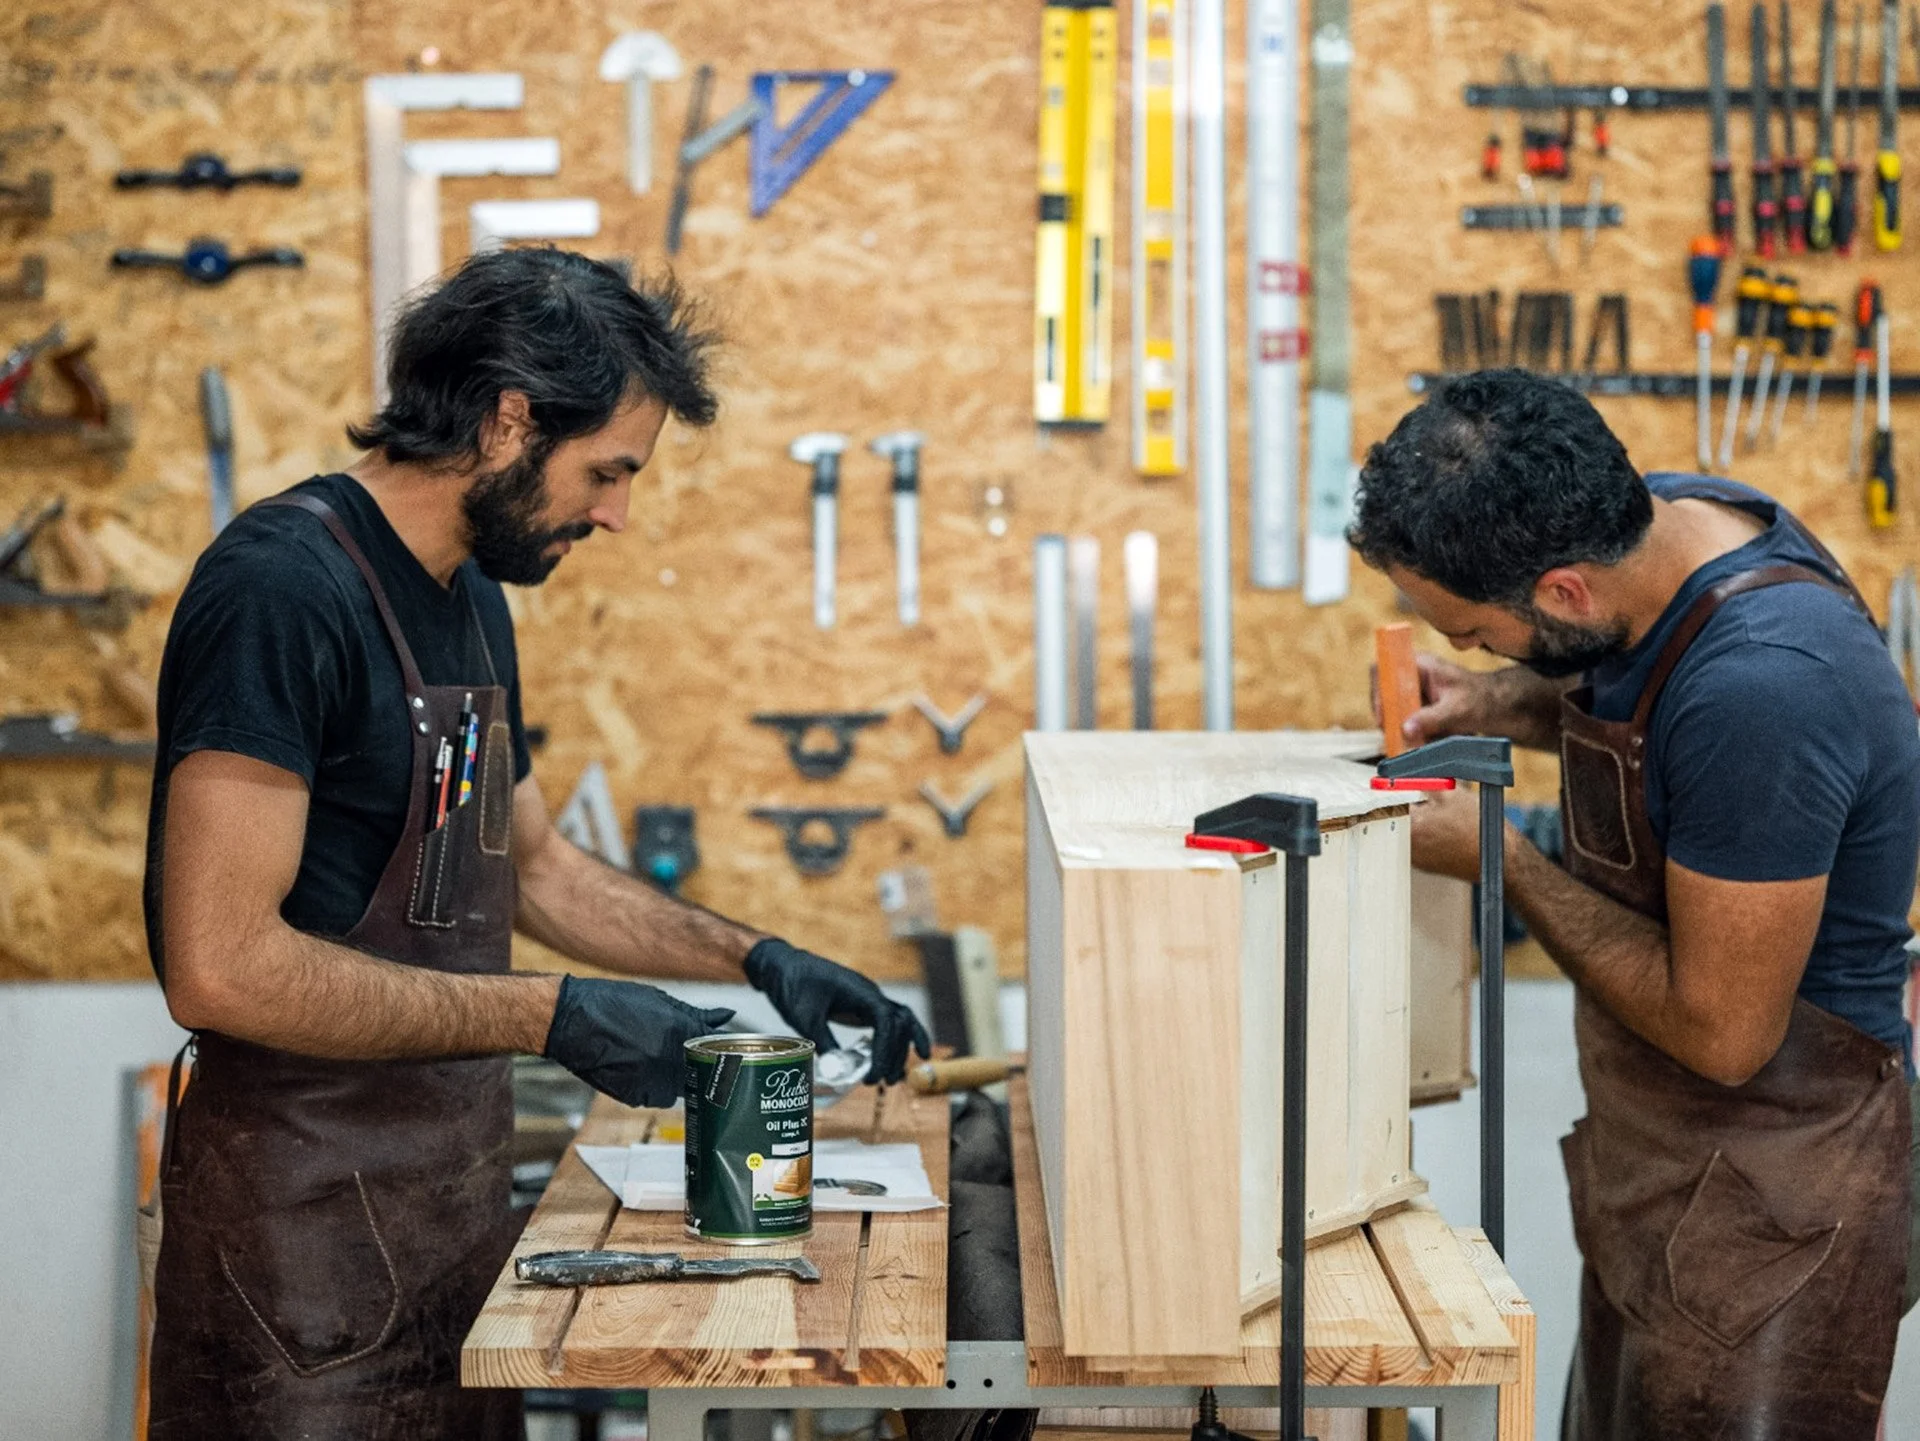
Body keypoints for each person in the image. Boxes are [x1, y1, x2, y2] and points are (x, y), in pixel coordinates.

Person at [143, 247, 929, 1439]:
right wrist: (551, 1015)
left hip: (445, 1242)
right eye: (607, 470)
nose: (616, 511)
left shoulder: (466, 594)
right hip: (294, 1279)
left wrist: (759, 956)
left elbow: (539, 868)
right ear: (511, 422)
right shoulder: (284, 591)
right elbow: (221, 963)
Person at [1349, 369, 1920, 1440]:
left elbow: (1726, 1032)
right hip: (1664, 1174)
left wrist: (1502, 863)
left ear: (1562, 591)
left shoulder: (1767, 694)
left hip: (1778, 1202)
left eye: (1475, 637)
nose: (1469, 651)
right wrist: (1498, 700)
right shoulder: (1659, 522)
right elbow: (1628, 686)